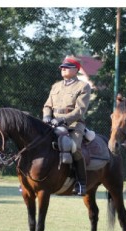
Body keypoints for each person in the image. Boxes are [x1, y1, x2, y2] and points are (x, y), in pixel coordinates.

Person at [43, 56, 91, 196]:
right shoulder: (56, 86)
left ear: (76, 70)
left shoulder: (83, 86)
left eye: (67, 67)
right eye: (62, 67)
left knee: (74, 147)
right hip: (52, 122)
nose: (63, 69)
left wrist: (62, 119)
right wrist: (47, 116)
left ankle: (81, 183)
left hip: (74, 124)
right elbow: (47, 105)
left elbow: (80, 110)